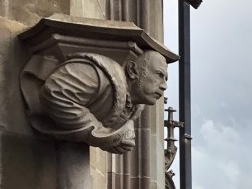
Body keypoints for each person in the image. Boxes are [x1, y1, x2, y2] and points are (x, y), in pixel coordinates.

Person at [22, 49, 168, 153]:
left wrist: (114, 139)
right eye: (159, 75)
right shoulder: (99, 76)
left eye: (166, 79)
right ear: (132, 70)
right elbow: (56, 92)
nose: (164, 86)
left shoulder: (134, 106)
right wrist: (98, 134)